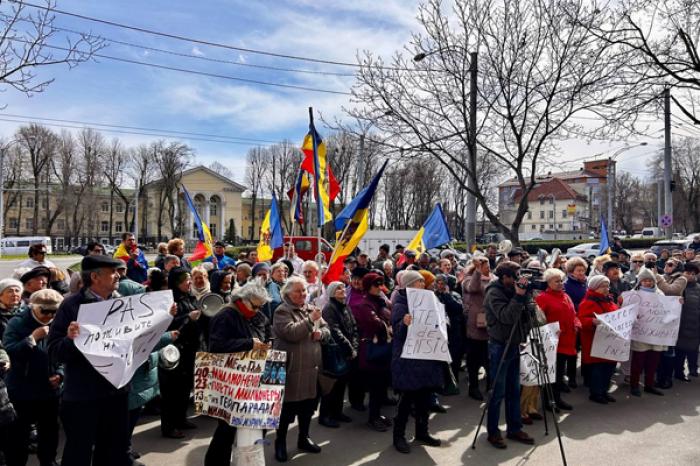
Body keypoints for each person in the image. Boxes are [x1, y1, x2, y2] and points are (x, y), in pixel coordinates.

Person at [47, 254, 131, 466]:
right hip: (84, 395)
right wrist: (70, 339)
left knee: (112, 450)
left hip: (116, 392)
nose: (118, 276)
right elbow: (55, 351)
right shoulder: (71, 306)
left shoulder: (123, 304)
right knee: (79, 451)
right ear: (95, 277)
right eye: (112, 272)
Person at [204, 282, 271, 466]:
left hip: (249, 379)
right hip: (229, 382)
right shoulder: (225, 315)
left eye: (260, 307)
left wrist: (266, 344)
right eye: (254, 306)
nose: (257, 311)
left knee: (251, 425)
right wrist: (248, 343)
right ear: (242, 300)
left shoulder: (254, 314)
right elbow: (216, 347)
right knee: (227, 429)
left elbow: (266, 331)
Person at [2, 289, 64, 466]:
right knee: (18, 435)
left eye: (54, 312)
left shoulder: (57, 324)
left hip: (49, 391)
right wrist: (32, 338)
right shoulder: (17, 323)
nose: (49, 316)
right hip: (22, 391)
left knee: (50, 432)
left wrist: (60, 374)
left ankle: (48, 460)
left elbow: (62, 353)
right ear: (33, 307)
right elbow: (10, 351)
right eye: (44, 311)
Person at [272, 277, 330, 462]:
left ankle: (303, 438)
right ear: (287, 293)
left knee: (308, 408)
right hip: (292, 370)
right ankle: (280, 442)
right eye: (298, 291)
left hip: (312, 369)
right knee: (286, 411)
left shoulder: (312, 308)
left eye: (304, 290)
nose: (302, 294)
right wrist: (309, 321)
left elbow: (327, 328)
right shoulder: (282, 310)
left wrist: (322, 334)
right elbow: (291, 333)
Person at [483, 261, 535, 449]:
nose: (517, 281)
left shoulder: (515, 289)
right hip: (500, 346)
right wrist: (519, 297)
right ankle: (493, 432)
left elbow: (529, 312)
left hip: (515, 344)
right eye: (514, 277)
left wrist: (526, 297)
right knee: (497, 392)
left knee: (514, 390)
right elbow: (506, 317)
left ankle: (514, 428)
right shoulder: (493, 292)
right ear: (504, 277)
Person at [390, 270, 443, 454]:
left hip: (426, 357)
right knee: (406, 401)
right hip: (408, 360)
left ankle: (422, 432)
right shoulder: (400, 303)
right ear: (409, 285)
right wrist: (403, 324)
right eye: (419, 282)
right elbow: (397, 333)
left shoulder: (429, 299)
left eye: (422, 282)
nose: (423, 285)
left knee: (424, 399)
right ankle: (398, 436)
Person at [160, 267, 202, 439]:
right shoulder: (169, 301)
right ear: (177, 283)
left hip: (189, 349)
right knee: (172, 391)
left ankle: (181, 418)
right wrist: (187, 318)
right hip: (174, 352)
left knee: (184, 388)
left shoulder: (189, 297)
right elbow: (166, 325)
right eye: (186, 280)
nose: (189, 282)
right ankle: (169, 426)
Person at [353, 272, 394, 432]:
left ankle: (377, 415)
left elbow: (389, 318)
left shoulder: (379, 301)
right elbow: (374, 324)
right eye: (376, 285)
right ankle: (373, 418)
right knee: (375, 387)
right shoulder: (365, 304)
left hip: (382, 348)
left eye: (380, 284)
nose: (379, 287)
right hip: (372, 350)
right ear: (368, 287)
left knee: (382, 384)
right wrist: (388, 325)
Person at [535, 268, 577, 410]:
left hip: (567, 340)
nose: (560, 283)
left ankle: (557, 399)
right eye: (556, 281)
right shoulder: (542, 298)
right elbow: (538, 320)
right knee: (552, 374)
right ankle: (549, 401)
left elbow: (573, 314)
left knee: (559, 373)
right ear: (548, 283)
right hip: (552, 341)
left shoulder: (566, 296)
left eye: (561, 280)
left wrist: (577, 323)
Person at [318, 282, 359, 428]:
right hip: (335, 352)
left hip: (347, 352)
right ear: (331, 293)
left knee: (341, 384)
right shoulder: (329, 308)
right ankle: (325, 416)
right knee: (331, 386)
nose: (342, 290)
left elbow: (353, 326)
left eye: (342, 288)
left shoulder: (345, 305)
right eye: (338, 289)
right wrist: (349, 348)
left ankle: (337, 412)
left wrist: (354, 345)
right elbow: (334, 331)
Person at [578, 275, 619, 404]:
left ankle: (604, 391)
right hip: (595, 341)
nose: (607, 289)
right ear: (595, 287)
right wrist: (592, 321)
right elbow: (581, 320)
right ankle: (596, 393)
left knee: (609, 367)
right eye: (604, 286)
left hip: (608, 340)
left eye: (608, 286)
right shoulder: (588, 302)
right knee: (598, 368)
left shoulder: (608, 300)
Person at [627, 267, 666, 397]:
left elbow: (668, 309)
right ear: (640, 281)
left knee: (653, 361)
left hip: (656, 333)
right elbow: (628, 311)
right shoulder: (634, 294)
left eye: (650, 280)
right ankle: (634, 385)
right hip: (641, 333)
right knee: (638, 361)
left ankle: (649, 385)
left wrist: (677, 303)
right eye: (645, 280)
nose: (648, 283)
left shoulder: (660, 294)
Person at [462, 257, 495, 401]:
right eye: (483, 266)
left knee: (490, 359)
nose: (487, 268)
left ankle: (491, 385)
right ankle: (473, 387)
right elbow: (473, 288)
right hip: (475, 326)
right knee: (473, 359)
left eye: (487, 265)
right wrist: (477, 272)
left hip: (491, 324)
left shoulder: (493, 278)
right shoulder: (468, 279)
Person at [655, 258, 688, 389]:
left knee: (669, 351)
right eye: (666, 264)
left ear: (678, 267)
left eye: (670, 265)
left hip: (671, 320)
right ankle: (658, 378)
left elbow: (670, 291)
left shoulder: (681, 278)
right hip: (657, 318)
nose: (667, 266)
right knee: (658, 352)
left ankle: (667, 378)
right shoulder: (662, 277)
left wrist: (657, 277)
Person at [436, 273, 464, 388]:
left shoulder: (454, 295)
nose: (440, 286)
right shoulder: (434, 295)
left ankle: (453, 380)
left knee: (454, 356)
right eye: (438, 283)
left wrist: (447, 295)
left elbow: (457, 308)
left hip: (454, 331)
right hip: (440, 331)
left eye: (443, 283)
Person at [675, 262, 700, 380]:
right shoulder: (676, 286)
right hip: (680, 326)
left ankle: (693, 369)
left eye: (693, 274)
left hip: (695, 325)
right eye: (688, 273)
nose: (690, 276)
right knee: (680, 351)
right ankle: (679, 372)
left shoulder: (698, 288)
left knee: (693, 350)